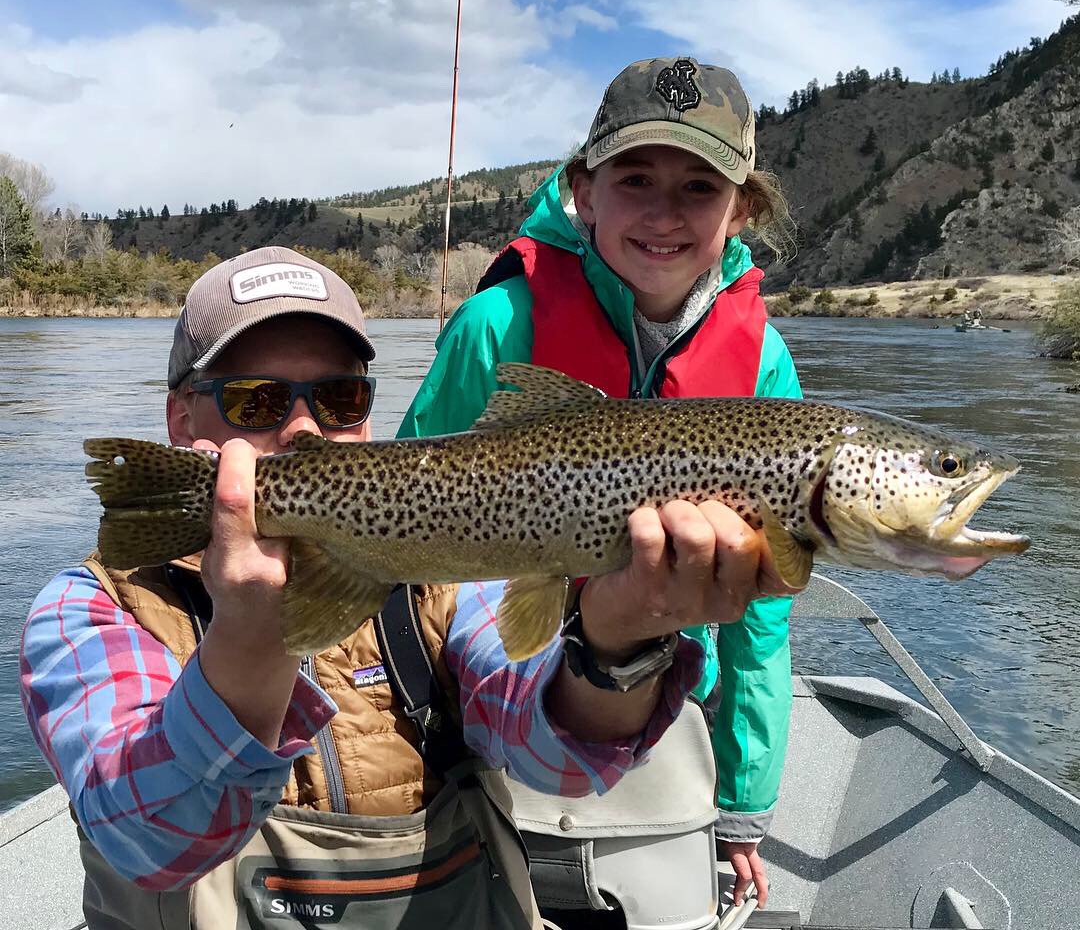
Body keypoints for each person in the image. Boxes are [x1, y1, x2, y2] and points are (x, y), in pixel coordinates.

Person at [21, 245, 785, 930]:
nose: (304, 430)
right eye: (256, 401)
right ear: (179, 421)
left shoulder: (427, 583)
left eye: (339, 400)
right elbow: (150, 841)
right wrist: (252, 643)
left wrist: (621, 640)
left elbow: (563, 763)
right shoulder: (91, 609)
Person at [400, 57, 805, 907]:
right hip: (488, 684)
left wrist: (743, 804)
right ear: (583, 190)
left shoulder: (763, 362)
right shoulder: (497, 324)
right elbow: (409, 513)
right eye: (635, 178)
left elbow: (760, 617)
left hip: (659, 695)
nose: (664, 213)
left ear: (742, 210)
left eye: (699, 187)